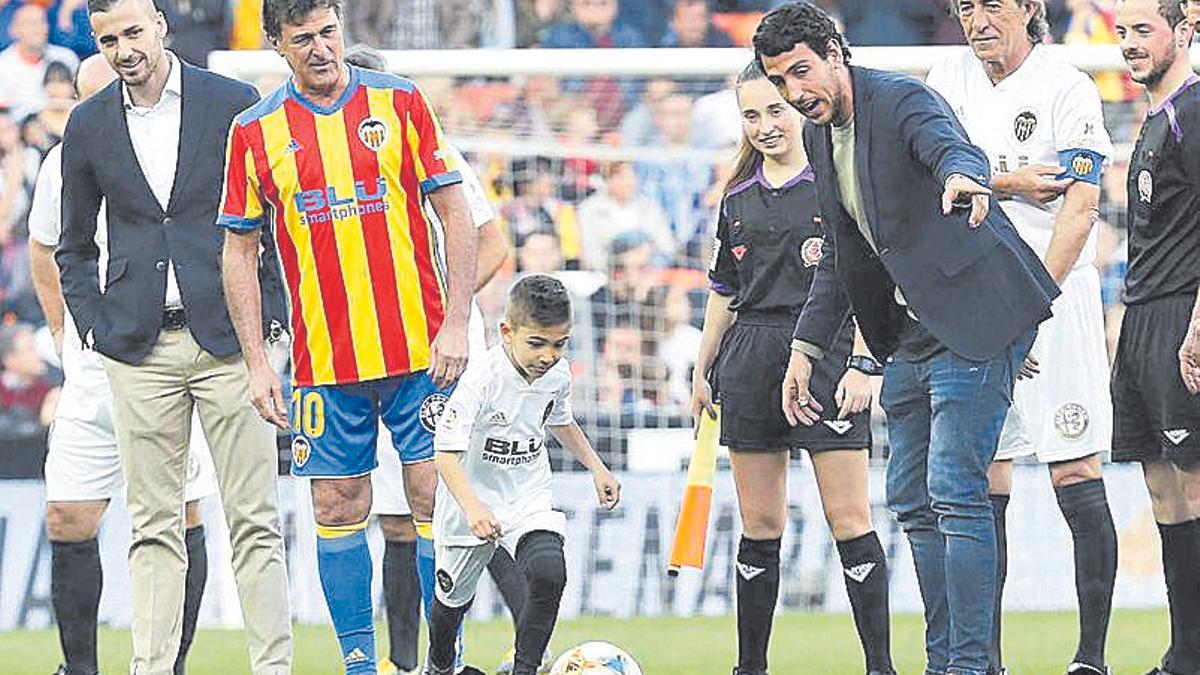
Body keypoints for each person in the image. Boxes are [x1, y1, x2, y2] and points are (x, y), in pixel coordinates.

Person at [755, 4, 1059, 675]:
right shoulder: (816, 138)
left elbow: (951, 147)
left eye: (801, 71)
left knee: (954, 489)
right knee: (914, 502)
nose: (793, 91)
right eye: (779, 82)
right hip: (908, 337)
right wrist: (805, 351)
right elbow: (841, 253)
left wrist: (960, 175)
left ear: (836, 53)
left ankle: (970, 664)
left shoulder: (901, 99)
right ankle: (946, 659)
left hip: (974, 317)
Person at [217, 1, 478, 673]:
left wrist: (454, 320)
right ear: (276, 44)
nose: (321, 48)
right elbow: (238, 252)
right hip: (323, 360)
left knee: (431, 493)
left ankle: (443, 660)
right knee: (338, 502)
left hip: (420, 352)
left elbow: (455, 209)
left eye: (329, 32)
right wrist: (257, 363)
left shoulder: (400, 101)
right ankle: (360, 664)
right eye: (302, 39)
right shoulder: (254, 129)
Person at [55, 0, 294, 672]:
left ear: (161, 25)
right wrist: (96, 325)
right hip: (137, 349)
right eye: (108, 39)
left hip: (232, 344)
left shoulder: (233, 101)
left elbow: (273, 221)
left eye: (132, 32)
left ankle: (272, 666)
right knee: (152, 527)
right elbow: (72, 247)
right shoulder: (87, 124)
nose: (123, 48)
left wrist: (269, 325)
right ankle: (150, 667)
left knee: (255, 522)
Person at [926, 3, 1119, 673]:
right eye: (965, 6)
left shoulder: (1066, 87)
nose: (978, 19)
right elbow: (926, 183)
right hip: (972, 308)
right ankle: (987, 660)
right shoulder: (944, 79)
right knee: (983, 479)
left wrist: (1031, 304)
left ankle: (1090, 658)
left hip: (1054, 303)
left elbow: (1082, 204)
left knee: (1073, 466)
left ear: (1030, 8)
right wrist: (1007, 181)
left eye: (993, 4)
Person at [691, 59, 893, 675]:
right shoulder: (736, 197)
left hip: (825, 356)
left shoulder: (836, 183)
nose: (764, 125)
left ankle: (879, 666)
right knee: (760, 523)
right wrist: (702, 369)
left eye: (774, 110)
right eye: (750, 115)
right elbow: (725, 291)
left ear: (797, 105)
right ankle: (749, 666)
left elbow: (867, 281)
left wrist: (864, 360)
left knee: (849, 518)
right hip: (750, 359)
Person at [28, 52, 221, 675]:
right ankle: (78, 666)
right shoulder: (64, 162)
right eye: (83, 99)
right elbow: (45, 248)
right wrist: (67, 337)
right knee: (68, 513)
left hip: (167, 351)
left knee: (182, 510)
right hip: (94, 364)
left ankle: (173, 662)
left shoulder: (178, 149)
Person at [340, 41, 527, 675]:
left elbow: (493, 245)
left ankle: (529, 645)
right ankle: (400, 662)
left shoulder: (432, 153)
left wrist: (441, 313)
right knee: (398, 516)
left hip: (445, 360)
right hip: (376, 358)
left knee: (462, 510)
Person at [423, 274, 621, 675]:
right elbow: (444, 455)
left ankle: (525, 669)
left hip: (525, 495)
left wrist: (597, 467)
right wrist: (473, 507)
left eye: (559, 344)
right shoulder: (481, 379)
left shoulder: (558, 374)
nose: (548, 355)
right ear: (507, 332)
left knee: (550, 572)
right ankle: (440, 666)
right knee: (448, 610)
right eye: (537, 343)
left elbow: (561, 421)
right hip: (467, 505)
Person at [1115, 2, 1200, 673]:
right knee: (1162, 493)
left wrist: (1198, 324)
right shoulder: (1152, 120)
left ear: (1184, 31)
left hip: (1182, 317)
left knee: (1196, 487)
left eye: (1143, 30)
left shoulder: (1196, 113)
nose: (1129, 44)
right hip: (1142, 317)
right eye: (1123, 32)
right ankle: (1185, 652)